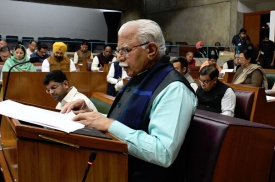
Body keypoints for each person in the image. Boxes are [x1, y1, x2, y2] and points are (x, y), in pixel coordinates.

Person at [60, 19, 197, 181]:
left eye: (125, 50)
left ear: (151, 50)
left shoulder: (174, 88)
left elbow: (163, 152)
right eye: (118, 50)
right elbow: (127, 121)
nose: (118, 58)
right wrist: (90, 114)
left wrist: (107, 124)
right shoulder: (141, 76)